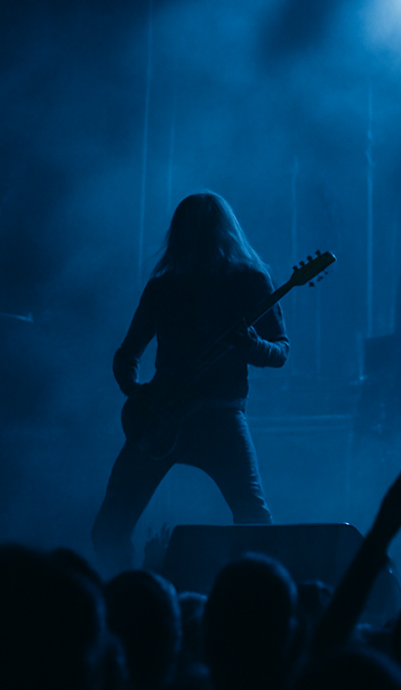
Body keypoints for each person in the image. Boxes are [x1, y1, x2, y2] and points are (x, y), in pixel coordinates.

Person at [92, 192, 289, 573]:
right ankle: (135, 598)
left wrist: (251, 346)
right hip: (160, 419)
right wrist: (136, 392)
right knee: (108, 528)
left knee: (254, 520)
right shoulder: (164, 287)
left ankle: (255, 603)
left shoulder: (250, 280)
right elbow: (127, 353)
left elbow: (280, 351)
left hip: (220, 418)